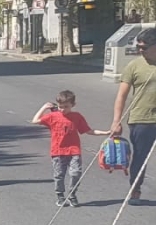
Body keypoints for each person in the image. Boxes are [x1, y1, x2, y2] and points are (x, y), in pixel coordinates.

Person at [32, 90, 107, 207]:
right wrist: (44, 107)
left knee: (75, 173)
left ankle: (72, 194)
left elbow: (89, 131)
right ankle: (60, 195)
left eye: (66, 107)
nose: (63, 109)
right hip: (58, 151)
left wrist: (106, 133)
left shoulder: (77, 117)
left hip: (73, 150)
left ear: (73, 105)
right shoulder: (52, 116)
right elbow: (35, 121)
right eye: (60, 107)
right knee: (59, 175)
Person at [109, 27, 156, 202]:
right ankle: (135, 188)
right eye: (139, 47)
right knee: (140, 157)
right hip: (141, 119)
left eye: (144, 47)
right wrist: (116, 121)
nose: (140, 51)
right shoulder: (134, 66)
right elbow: (121, 95)